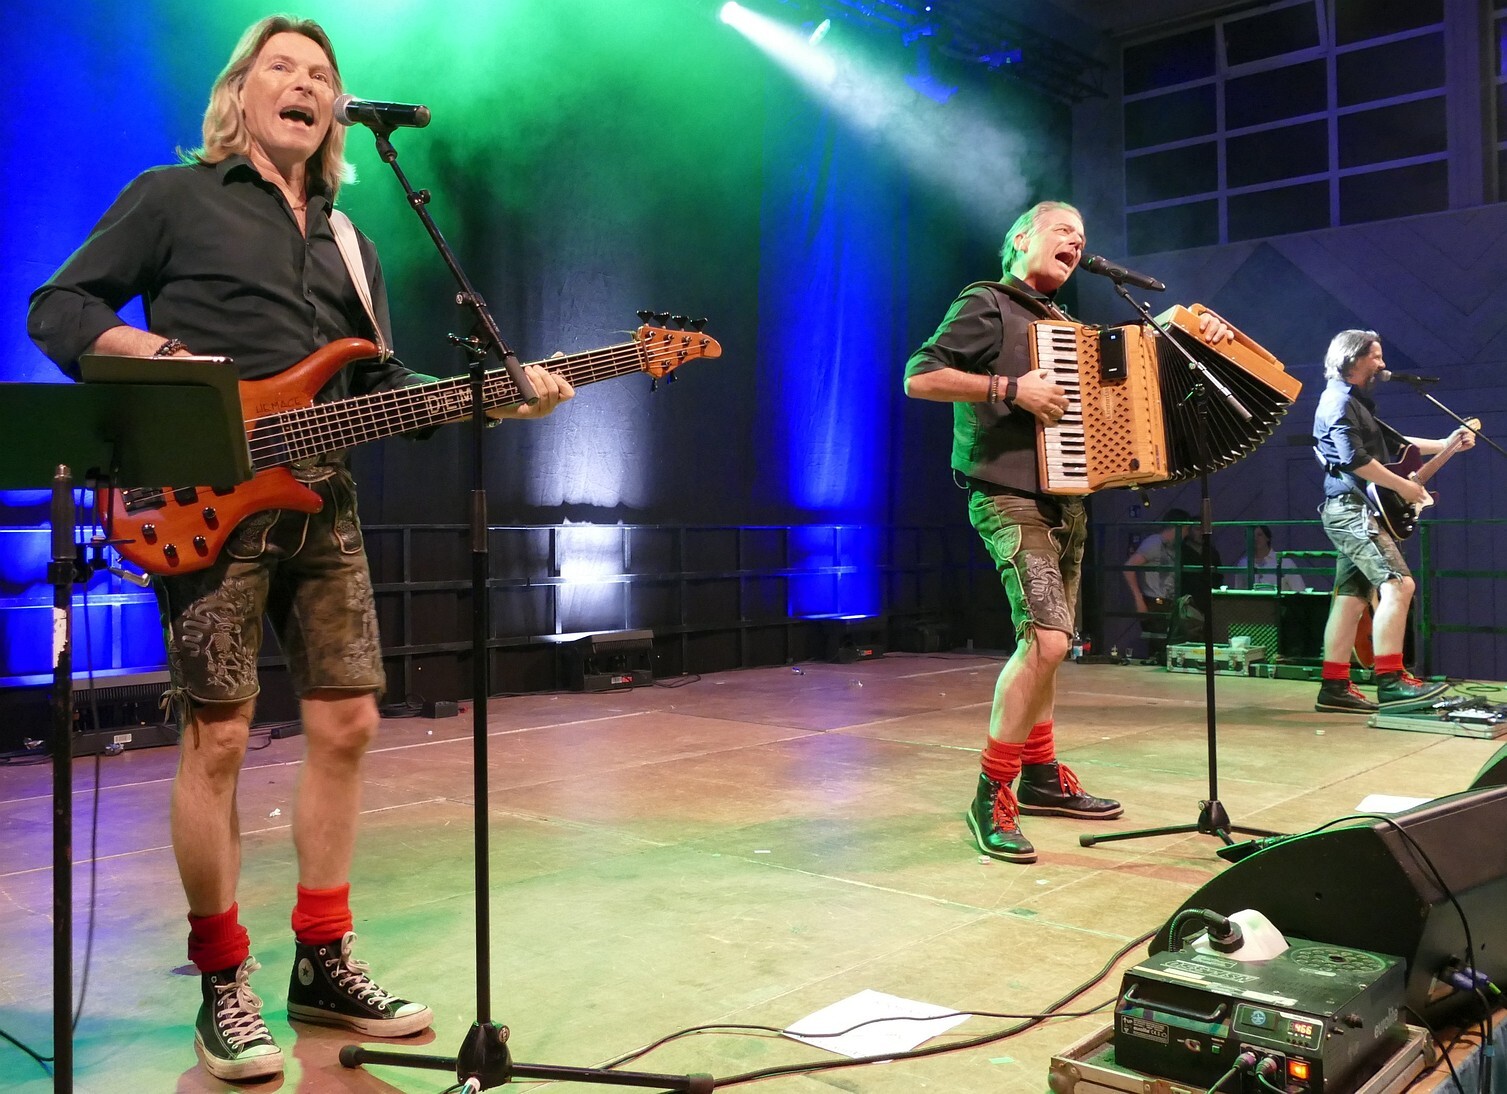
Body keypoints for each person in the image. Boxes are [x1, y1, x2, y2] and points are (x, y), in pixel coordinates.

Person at [27, 16, 574, 1081]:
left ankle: (322, 959)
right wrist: (168, 359)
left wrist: (496, 396)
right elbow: (61, 307)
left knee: (348, 720)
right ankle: (221, 978)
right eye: (282, 66)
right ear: (241, 93)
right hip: (204, 497)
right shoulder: (173, 196)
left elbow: (377, 384)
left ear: (336, 115)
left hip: (324, 498)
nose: (307, 83)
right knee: (219, 738)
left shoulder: (350, 242)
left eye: (322, 75)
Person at [903, 200, 1233, 863]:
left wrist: (1193, 335)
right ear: (1021, 238)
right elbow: (919, 377)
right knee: (1048, 640)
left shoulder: (1067, 327)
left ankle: (1041, 774)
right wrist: (1008, 389)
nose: (1076, 243)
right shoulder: (988, 302)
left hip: (1069, 502)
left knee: (1051, 647)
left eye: (1082, 238)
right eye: (1063, 231)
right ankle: (992, 791)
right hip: (1009, 496)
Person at [1311, 330, 1472, 714]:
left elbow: (1398, 445)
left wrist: (1447, 443)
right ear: (1353, 359)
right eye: (1376, 356)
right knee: (1399, 584)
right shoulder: (1338, 402)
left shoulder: (1352, 403)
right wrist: (1405, 487)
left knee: (1351, 599)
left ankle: (1334, 686)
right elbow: (1354, 461)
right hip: (1352, 510)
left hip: (1351, 509)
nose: (1382, 365)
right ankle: (1391, 680)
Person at [1230, 525, 1306, 592]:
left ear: (1267, 537)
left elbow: (1300, 590)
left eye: (1259, 535)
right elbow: (1239, 592)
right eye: (1252, 535)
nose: (1255, 538)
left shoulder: (1285, 563)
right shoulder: (1243, 563)